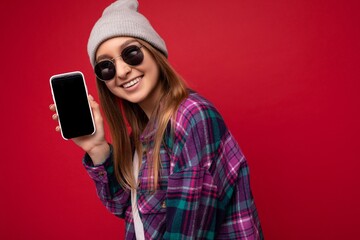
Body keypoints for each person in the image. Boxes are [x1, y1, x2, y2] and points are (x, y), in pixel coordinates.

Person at [50, 0, 263, 239]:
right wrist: (97, 148)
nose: (121, 72)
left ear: (155, 52)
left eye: (131, 53)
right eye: (106, 67)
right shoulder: (143, 134)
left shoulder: (191, 116)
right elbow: (126, 208)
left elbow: (187, 233)